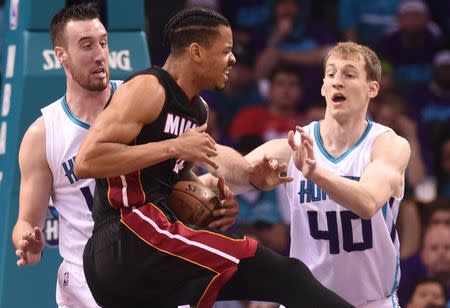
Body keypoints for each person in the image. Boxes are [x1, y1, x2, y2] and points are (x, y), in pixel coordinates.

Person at [74, 7, 352, 308]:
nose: (233, 59)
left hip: (135, 262)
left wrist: (235, 187)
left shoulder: (198, 111)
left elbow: (184, 173)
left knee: (273, 280)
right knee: (287, 274)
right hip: (129, 235)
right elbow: (87, 161)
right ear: (196, 51)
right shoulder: (148, 88)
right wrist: (174, 147)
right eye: (226, 51)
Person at [202, 41, 411, 307]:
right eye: (332, 74)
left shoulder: (388, 145)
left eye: (349, 74)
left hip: (370, 302)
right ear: (323, 86)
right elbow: (232, 176)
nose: (338, 82)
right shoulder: (292, 147)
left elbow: (368, 202)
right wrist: (195, 155)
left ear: (372, 88)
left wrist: (317, 174)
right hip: (304, 301)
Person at [11, 3, 121, 307]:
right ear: (61, 55)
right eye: (86, 46)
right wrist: (26, 242)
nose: (99, 54)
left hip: (151, 271)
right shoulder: (42, 135)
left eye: (103, 42)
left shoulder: (139, 101)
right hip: (86, 282)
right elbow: (26, 220)